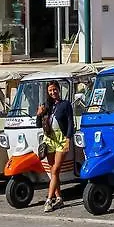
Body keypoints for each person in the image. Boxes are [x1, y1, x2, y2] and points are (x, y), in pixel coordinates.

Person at [36, 80, 73, 212]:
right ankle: (59, 198)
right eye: (50, 90)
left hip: (61, 139)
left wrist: (68, 140)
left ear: (59, 89)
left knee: (56, 170)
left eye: (54, 89)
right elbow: (38, 125)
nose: (53, 92)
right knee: (53, 171)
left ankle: (49, 200)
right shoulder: (47, 106)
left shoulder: (65, 104)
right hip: (49, 139)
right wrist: (39, 114)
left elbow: (70, 123)